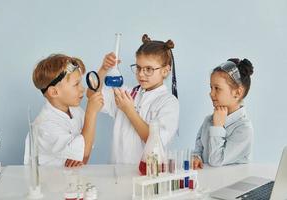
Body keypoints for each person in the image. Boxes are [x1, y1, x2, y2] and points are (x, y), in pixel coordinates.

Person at [89, 34, 179, 164]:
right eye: (138, 68)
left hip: (147, 175)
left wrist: (129, 111)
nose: (141, 74)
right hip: (117, 171)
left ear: (165, 71)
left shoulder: (169, 103)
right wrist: (103, 69)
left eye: (149, 69)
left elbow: (155, 141)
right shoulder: (127, 93)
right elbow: (92, 95)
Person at [24, 54, 103, 167]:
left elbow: (86, 151)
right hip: (49, 182)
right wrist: (91, 113)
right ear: (54, 92)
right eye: (76, 84)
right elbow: (85, 151)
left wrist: (81, 154)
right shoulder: (45, 126)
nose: (82, 89)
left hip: (71, 179)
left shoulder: (76, 111)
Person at [193, 58, 254, 168]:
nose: (211, 94)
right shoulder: (208, 120)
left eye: (217, 88)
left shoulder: (244, 129)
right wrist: (196, 157)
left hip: (231, 183)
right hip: (208, 182)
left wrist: (218, 127)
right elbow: (198, 150)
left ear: (237, 92)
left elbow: (216, 161)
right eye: (211, 88)